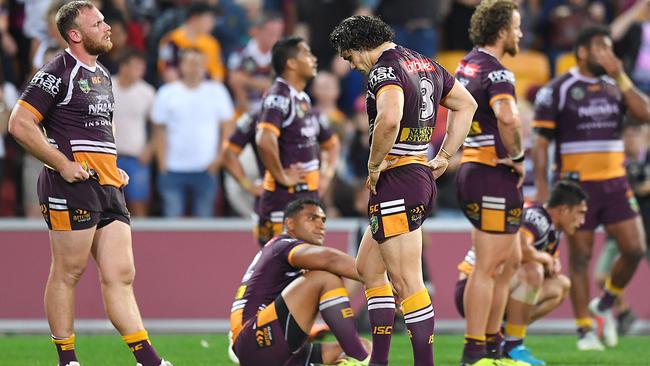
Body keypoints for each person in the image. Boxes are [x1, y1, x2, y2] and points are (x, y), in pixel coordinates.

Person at [8, 2, 171, 366]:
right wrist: (62, 164)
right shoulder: (55, 72)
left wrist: (111, 164)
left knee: (122, 274)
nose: (108, 27)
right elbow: (19, 123)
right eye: (98, 23)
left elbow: (100, 128)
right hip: (71, 185)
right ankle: (67, 360)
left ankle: (150, 361)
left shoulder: (102, 74)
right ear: (76, 34)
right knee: (69, 272)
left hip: (107, 184)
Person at [330, 15, 477, 366]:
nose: (352, 66)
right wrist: (443, 155)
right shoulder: (425, 62)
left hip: (397, 178)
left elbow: (390, 118)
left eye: (350, 57)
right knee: (368, 269)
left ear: (361, 46)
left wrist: (373, 163)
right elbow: (466, 104)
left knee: (408, 282)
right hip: (416, 175)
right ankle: (378, 361)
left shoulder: (384, 69)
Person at [532, 25, 650, 351]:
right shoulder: (559, 89)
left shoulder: (616, 87)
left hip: (615, 182)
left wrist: (622, 76)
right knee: (580, 259)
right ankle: (585, 330)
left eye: (611, 49)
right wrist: (542, 187)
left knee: (635, 249)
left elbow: (645, 114)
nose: (608, 55)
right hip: (576, 187)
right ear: (583, 51)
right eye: (602, 48)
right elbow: (541, 144)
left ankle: (606, 303)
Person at [453, 1, 525, 364]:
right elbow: (508, 118)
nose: (520, 34)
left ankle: (493, 344)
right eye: (516, 27)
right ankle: (475, 351)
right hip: (492, 174)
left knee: (510, 261)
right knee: (487, 266)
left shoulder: (466, 64)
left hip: (474, 169)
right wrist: (518, 157)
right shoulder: (497, 72)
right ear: (502, 31)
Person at [455, 180, 587, 365]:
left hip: (495, 287)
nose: (582, 221)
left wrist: (549, 262)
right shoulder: (537, 217)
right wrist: (546, 259)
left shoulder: (552, 230)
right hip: (474, 288)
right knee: (533, 271)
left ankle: (503, 337)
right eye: (580, 213)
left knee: (560, 286)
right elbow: (521, 250)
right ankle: (510, 345)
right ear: (564, 209)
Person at [229, 198, 370, 366]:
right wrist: (382, 281)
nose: (320, 224)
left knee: (366, 345)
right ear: (290, 223)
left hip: (277, 347)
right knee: (325, 277)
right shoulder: (282, 245)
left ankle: (357, 356)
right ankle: (361, 359)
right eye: (312, 218)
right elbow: (330, 259)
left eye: (323, 220)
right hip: (256, 339)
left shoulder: (286, 256)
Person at [255, 36, 340, 246]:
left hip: (306, 198)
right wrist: (282, 176)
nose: (314, 59)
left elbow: (332, 144)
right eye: (307, 54)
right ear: (291, 63)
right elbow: (264, 139)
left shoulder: (303, 99)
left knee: (303, 269)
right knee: (280, 266)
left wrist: (326, 176)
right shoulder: (279, 95)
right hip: (283, 199)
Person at [151, 47, 235, 217]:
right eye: (190, 63)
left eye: (198, 63)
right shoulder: (167, 92)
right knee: (171, 223)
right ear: (181, 66)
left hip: (206, 168)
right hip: (172, 168)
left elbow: (228, 127)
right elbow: (159, 131)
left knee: (204, 227)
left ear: (205, 67)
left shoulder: (217, 91)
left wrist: (219, 159)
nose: (194, 67)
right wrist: (162, 164)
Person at [112, 50, 155, 217]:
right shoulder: (106, 87)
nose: (141, 71)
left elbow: (157, 126)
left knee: (139, 205)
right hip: (109, 159)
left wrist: (150, 149)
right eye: (136, 67)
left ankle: (141, 241)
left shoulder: (147, 92)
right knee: (107, 205)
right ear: (123, 67)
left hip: (137, 158)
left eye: (142, 68)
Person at [157, 2, 225, 83]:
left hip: (206, 90)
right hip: (179, 89)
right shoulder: (171, 40)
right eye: (209, 20)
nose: (212, 25)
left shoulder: (212, 43)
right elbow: (168, 70)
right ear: (194, 19)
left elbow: (218, 74)